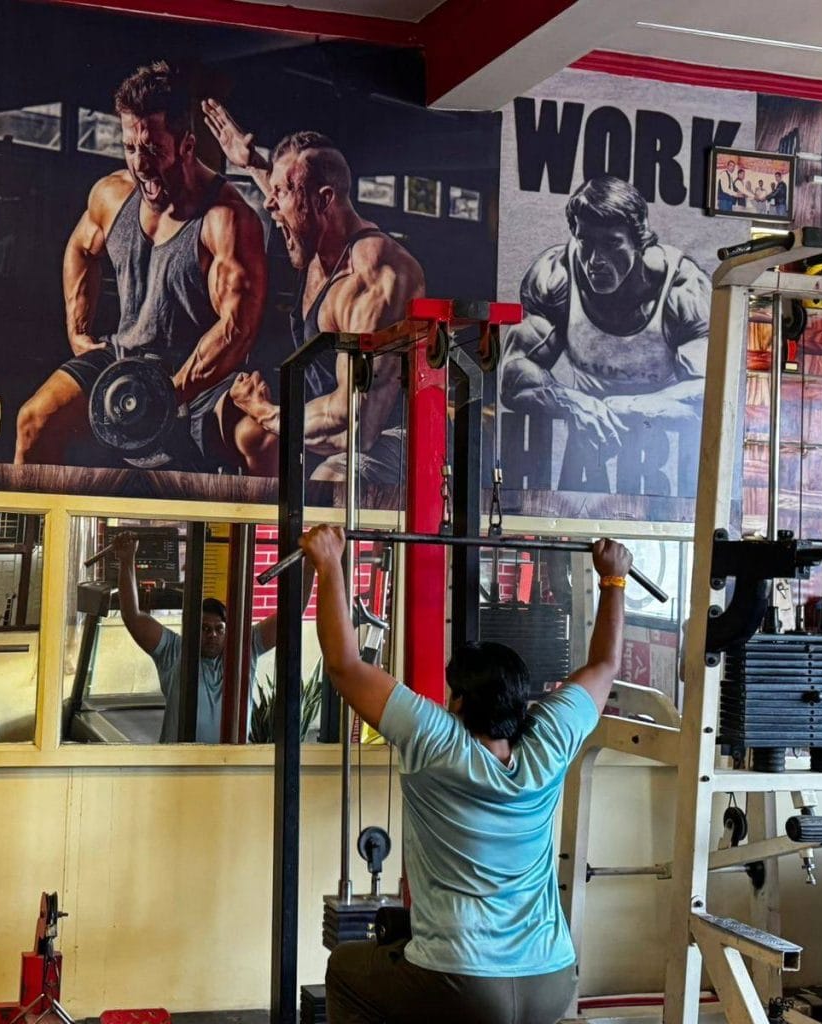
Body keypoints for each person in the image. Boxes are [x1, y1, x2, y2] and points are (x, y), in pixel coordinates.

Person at [299, 524, 631, 1024]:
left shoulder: (436, 740)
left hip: (464, 983)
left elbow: (345, 666)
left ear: (458, 700)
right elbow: (605, 663)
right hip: (553, 979)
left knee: (348, 969)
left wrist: (329, 564)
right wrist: (613, 582)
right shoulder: (549, 739)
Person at [15, 61, 268, 472]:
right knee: (34, 421)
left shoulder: (227, 220)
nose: (140, 165)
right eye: (130, 148)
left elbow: (237, 330)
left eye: (152, 149)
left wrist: (169, 394)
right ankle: (34, 538)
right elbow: (80, 248)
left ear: (187, 145)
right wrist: (78, 333)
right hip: (123, 357)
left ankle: (266, 536)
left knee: (256, 438)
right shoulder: (112, 195)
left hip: (202, 380)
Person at [202, 100, 425, 483]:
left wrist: (267, 412)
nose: (269, 204)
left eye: (281, 193)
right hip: (340, 427)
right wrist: (254, 164)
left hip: (390, 442)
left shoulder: (374, 277)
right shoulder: (319, 238)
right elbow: (294, 200)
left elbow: (355, 420)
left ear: (324, 199)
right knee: (231, 426)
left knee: (329, 480)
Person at [501, 174, 710, 495]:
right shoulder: (556, 275)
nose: (595, 261)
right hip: (584, 460)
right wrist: (575, 404)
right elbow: (513, 377)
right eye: (586, 242)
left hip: (657, 469)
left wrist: (628, 406)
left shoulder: (683, 289)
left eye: (612, 244)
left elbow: (708, 395)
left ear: (639, 241)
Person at [110, 530, 311, 743]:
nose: (212, 635)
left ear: (227, 631)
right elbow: (132, 616)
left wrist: (312, 565)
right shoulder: (174, 650)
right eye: (205, 628)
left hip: (229, 767)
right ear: (193, 630)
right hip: (177, 767)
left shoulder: (243, 649)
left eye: (219, 629)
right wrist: (127, 559)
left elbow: (292, 613)